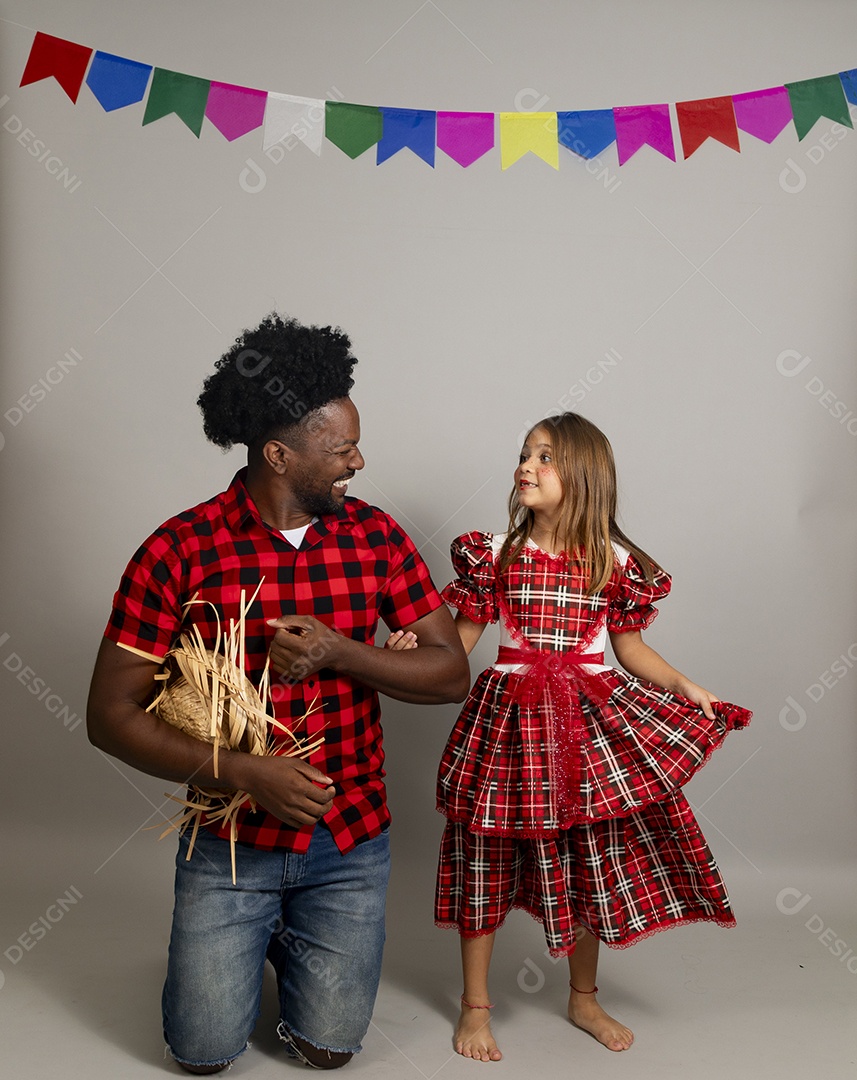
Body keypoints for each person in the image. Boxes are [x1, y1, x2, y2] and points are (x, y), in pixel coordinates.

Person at [86, 313, 469, 1074]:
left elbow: (449, 673)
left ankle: (287, 951)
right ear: (278, 454)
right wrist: (245, 772)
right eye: (340, 448)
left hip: (349, 840)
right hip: (229, 849)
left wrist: (339, 651)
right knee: (200, 1053)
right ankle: (239, 944)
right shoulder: (179, 549)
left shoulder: (376, 537)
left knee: (328, 1052)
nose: (358, 460)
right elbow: (108, 715)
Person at [432, 411, 752, 1061]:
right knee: (485, 862)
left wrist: (686, 686)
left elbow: (629, 649)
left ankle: (581, 997)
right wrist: (414, 646)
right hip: (508, 728)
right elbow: (455, 647)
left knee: (586, 859)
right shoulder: (495, 555)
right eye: (523, 453)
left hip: (586, 728)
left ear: (583, 475)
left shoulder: (615, 564)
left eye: (544, 457)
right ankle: (474, 1007)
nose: (525, 465)